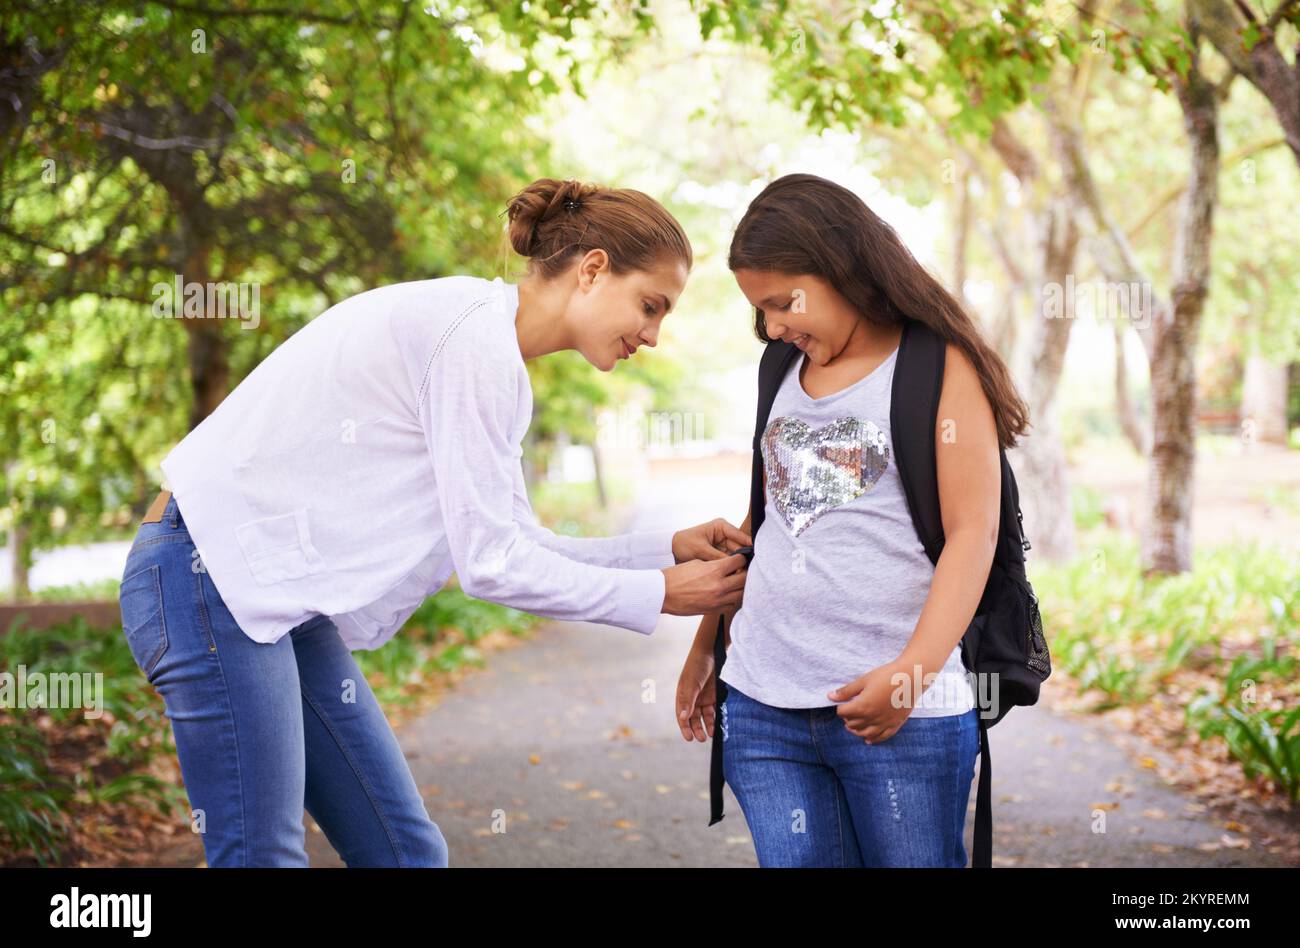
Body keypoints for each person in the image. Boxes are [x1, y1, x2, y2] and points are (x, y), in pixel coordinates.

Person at [117, 177, 749, 867]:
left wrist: (664, 549)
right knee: (262, 855)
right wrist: (662, 593)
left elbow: (515, 542)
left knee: (406, 853)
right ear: (593, 269)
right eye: (650, 306)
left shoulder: (493, 357)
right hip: (204, 576)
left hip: (275, 600)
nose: (653, 336)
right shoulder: (470, 338)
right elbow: (492, 566)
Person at [675, 173, 1030, 866]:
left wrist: (912, 673)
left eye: (783, 303)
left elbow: (972, 534)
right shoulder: (779, 367)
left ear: (841, 265)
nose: (773, 326)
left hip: (902, 718)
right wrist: (706, 647)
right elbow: (767, 521)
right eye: (762, 311)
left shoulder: (936, 364)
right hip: (763, 706)